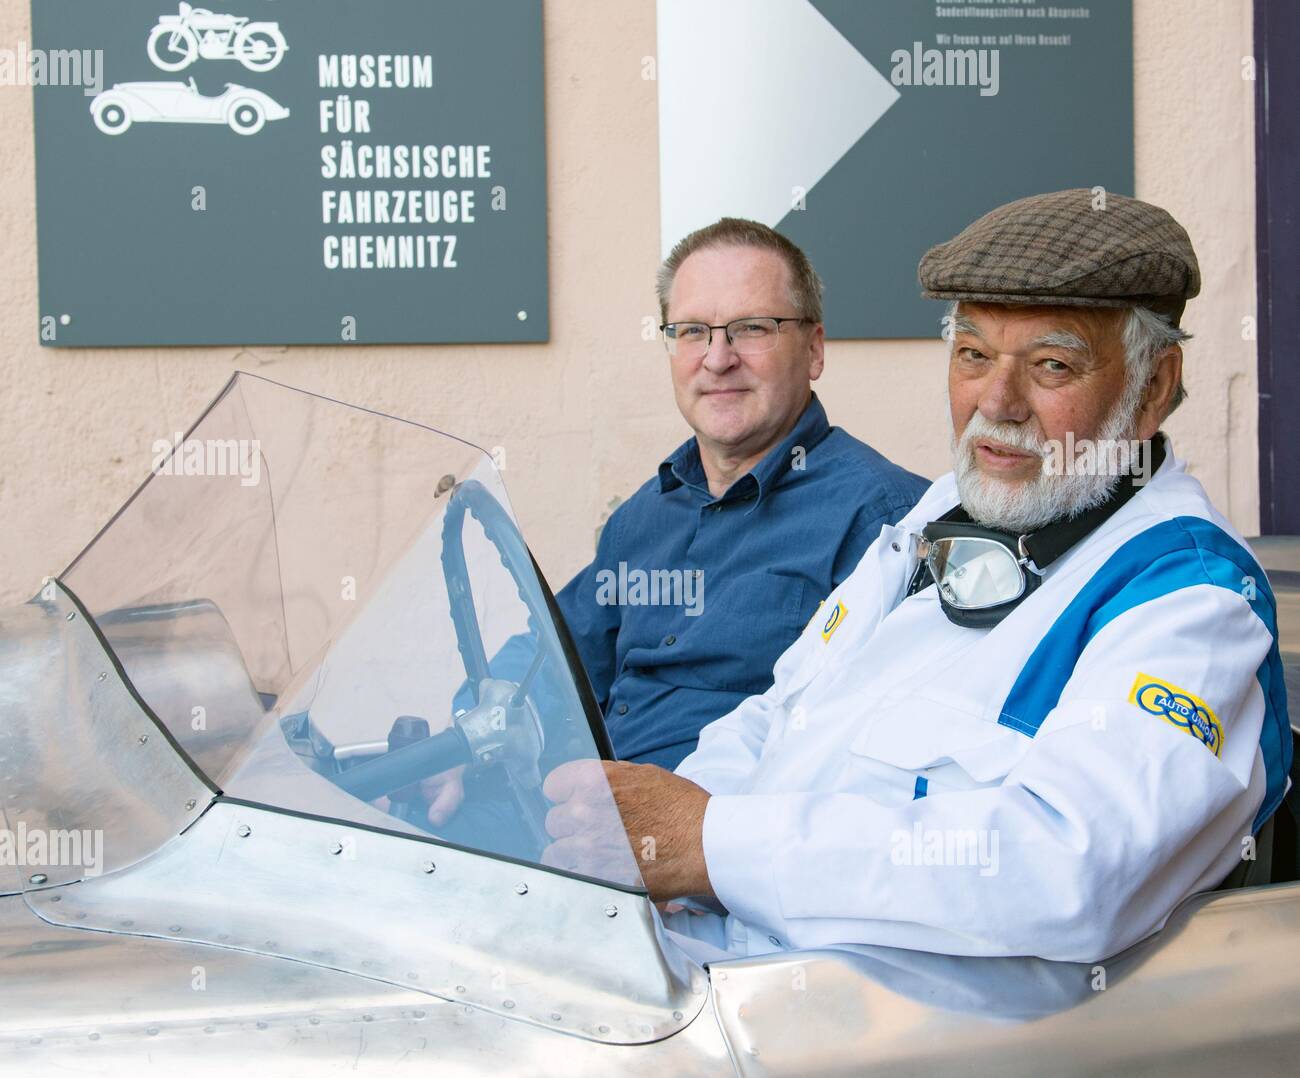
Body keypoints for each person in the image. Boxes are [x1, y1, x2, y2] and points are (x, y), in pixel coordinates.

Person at [542, 189, 1292, 965]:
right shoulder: (944, 509)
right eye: (972, 355)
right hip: (724, 968)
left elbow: (1069, 870)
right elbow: (780, 713)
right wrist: (662, 840)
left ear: (1154, 386)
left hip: (890, 1060)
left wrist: (713, 844)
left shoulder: (1189, 599)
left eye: (1051, 365)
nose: (996, 403)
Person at [422, 218, 927, 829]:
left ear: (814, 349)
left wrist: (697, 850)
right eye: (692, 331)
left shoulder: (887, 522)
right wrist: (467, 734)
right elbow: (551, 653)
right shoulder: (644, 517)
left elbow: (867, 763)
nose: (718, 358)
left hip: (708, 883)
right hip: (579, 830)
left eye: (752, 329)